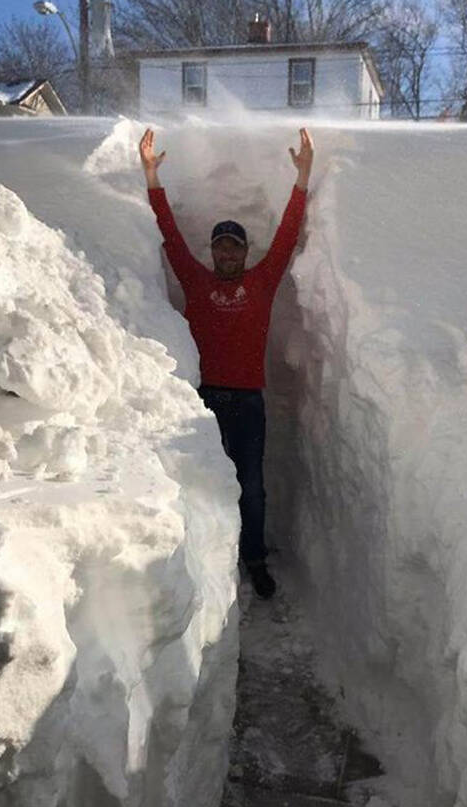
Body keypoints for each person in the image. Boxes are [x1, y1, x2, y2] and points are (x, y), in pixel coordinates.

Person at [139, 127, 313, 598]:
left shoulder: (262, 282)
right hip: (204, 399)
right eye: (221, 245)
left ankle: (253, 558)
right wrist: (152, 176)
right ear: (213, 251)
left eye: (234, 246)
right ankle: (206, 557)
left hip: (249, 403)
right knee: (203, 483)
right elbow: (170, 235)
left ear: (244, 252)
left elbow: (286, 236)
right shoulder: (196, 282)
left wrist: (303, 178)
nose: (227, 252)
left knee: (251, 487)